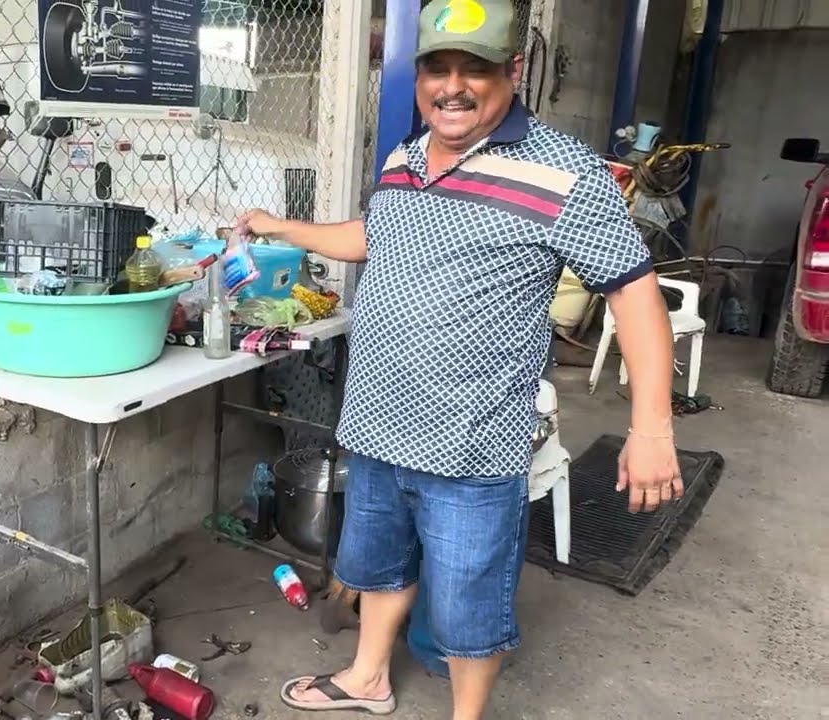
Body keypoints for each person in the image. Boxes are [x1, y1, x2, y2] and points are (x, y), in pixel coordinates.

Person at [236, 1, 682, 717]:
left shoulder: (565, 173)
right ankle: (368, 677)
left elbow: (633, 294)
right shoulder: (403, 160)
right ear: (419, 77)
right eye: (438, 68)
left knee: (469, 606)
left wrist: (652, 428)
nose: (453, 86)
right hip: (378, 423)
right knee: (378, 566)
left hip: (473, 445)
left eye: (474, 69)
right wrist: (280, 225)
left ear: (513, 70)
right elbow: (374, 236)